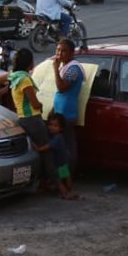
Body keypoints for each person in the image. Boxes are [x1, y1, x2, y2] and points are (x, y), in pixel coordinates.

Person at [0, 47, 55, 193]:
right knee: (48, 153)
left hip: (21, 118)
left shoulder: (13, 76)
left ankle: (41, 182)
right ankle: (55, 183)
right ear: (30, 64)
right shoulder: (25, 79)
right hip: (33, 119)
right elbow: (34, 103)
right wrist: (40, 105)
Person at [50, 38, 85, 171]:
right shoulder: (65, 66)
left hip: (67, 114)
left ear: (71, 53)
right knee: (61, 148)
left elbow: (61, 87)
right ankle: (63, 177)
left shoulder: (73, 68)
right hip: (60, 113)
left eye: (64, 51)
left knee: (66, 149)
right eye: (58, 50)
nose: (59, 54)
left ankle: (67, 176)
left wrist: (55, 69)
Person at [46, 112, 80, 200]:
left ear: (61, 128)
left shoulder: (56, 138)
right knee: (66, 176)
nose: (51, 127)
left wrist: (37, 148)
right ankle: (70, 190)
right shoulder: (60, 137)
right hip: (64, 162)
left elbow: (47, 147)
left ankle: (65, 193)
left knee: (59, 179)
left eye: (55, 126)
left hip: (59, 164)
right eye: (50, 125)